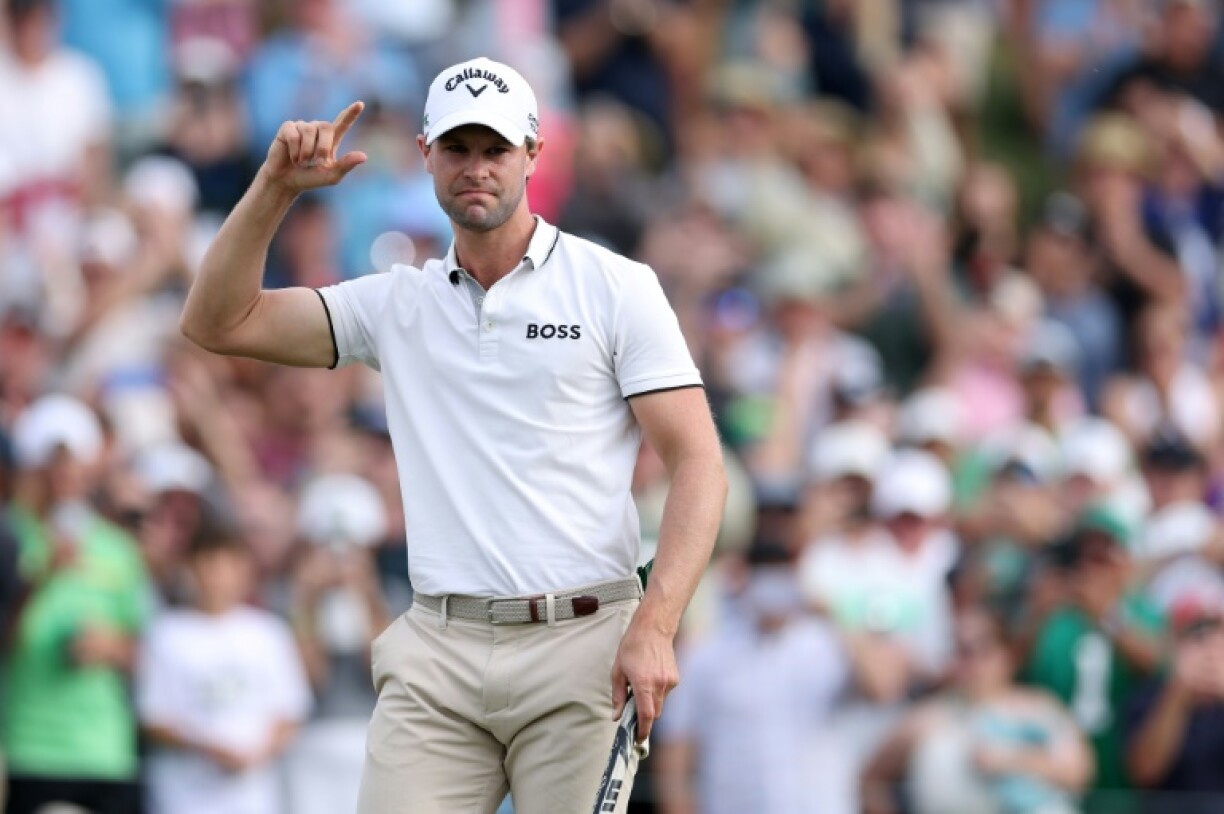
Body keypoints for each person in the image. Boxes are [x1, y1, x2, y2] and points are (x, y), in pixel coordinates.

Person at [179, 56, 728, 814]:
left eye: (496, 150)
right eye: (459, 149)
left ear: (533, 155)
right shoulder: (396, 304)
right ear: (426, 154)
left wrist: (657, 623)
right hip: (438, 649)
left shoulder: (614, 287)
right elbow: (216, 321)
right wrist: (273, 190)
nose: (477, 169)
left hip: (584, 644)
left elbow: (699, 460)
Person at [654, 541, 903, 814]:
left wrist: (829, 611)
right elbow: (676, 750)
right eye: (764, 574)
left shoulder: (827, 645)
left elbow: (883, 688)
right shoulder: (707, 655)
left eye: (780, 575)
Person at [1, 395, 150, 814]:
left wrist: (111, 648)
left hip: (106, 754)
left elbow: (143, 650)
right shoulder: (10, 536)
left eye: (72, 465)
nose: (63, 477)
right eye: (53, 465)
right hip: (30, 749)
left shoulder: (118, 548)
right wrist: (43, 576)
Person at [137, 525, 312, 814]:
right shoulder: (166, 633)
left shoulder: (268, 632)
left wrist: (255, 755)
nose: (217, 577)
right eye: (209, 565)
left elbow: (290, 712)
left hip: (254, 798)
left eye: (228, 564)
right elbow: (153, 717)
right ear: (190, 569)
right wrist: (208, 749)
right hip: (183, 797)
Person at [862, 607, 1093, 814]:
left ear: (1008, 654)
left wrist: (1009, 760)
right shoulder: (929, 718)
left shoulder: (1040, 708)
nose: (968, 662)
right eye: (960, 649)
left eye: (979, 649)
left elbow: (1078, 773)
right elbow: (871, 780)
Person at [1124, 593, 1224, 814]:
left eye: (1217, 635)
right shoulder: (1147, 695)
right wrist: (1177, 695)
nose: (1209, 648)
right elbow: (1145, 773)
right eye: (1197, 635)